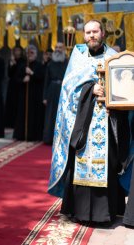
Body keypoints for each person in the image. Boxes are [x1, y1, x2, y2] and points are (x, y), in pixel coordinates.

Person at [48, 20, 130, 224]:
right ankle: (81, 211)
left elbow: (123, 87)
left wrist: (115, 100)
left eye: (95, 31)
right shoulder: (78, 57)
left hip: (108, 121)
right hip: (84, 122)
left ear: (102, 33)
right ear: (84, 35)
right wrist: (90, 89)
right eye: (88, 32)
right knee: (81, 163)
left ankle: (106, 213)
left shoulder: (113, 57)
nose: (92, 35)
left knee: (108, 164)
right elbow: (68, 89)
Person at [13, 44, 45, 141]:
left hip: (35, 94)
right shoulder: (22, 65)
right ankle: (21, 135)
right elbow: (16, 79)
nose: (30, 54)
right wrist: (23, 80)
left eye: (32, 53)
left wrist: (32, 74)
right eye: (28, 53)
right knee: (23, 114)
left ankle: (34, 135)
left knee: (35, 115)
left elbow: (41, 78)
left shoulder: (39, 65)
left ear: (35, 54)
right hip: (24, 94)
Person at [42, 43, 68, 145]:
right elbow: (46, 81)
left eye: (60, 48)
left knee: (62, 114)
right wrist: (44, 97)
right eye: (56, 47)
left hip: (63, 90)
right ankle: (49, 138)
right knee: (50, 116)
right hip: (52, 91)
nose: (58, 49)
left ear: (64, 49)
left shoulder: (67, 62)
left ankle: (61, 139)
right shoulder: (50, 64)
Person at [4, 46, 25, 128]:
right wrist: (12, 64)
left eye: (18, 50)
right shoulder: (11, 61)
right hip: (12, 85)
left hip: (20, 84)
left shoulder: (24, 61)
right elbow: (9, 74)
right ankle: (10, 123)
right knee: (11, 103)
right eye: (15, 50)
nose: (17, 52)